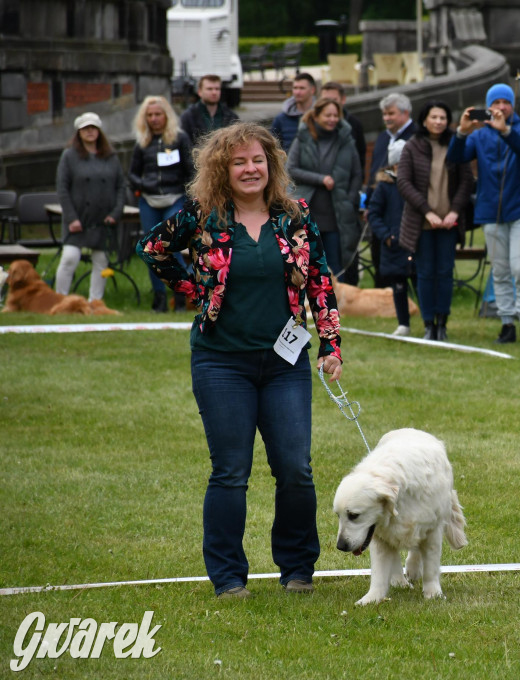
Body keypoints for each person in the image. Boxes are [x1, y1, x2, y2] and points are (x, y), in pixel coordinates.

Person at [136, 122, 343, 599]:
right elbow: (152, 249)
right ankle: (228, 577)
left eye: (258, 160)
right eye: (239, 162)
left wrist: (331, 346)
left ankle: (297, 570)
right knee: (231, 470)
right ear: (221, 169)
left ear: (271, 165)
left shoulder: (296, 215)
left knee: (295, 467)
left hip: (285, 365)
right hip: (220, 363)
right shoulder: (203, 215)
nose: (250, 169)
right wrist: (194, 289)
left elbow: (321, 282)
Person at [449, 83, 520, 345]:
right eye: (496, 103)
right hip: (491, 211)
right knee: (499, 270)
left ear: (513, 106)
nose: (501, 107)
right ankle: (506, 324)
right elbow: (456, 158)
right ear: (488, 107)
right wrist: (461, 132)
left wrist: (507, 132)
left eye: (506, 102)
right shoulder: (479, 136)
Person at [396, 100, 474, 341]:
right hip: (422, 223)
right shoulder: (412, 146)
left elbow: (467, 181)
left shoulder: (457, 144)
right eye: (434, 117)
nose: (439, 122)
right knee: (426, 273)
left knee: (445, 272)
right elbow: (403, 182)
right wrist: (427, 212)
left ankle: (443, 323)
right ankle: (428, 323)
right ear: (424, 120)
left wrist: (454, 212)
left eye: (443, 118)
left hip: (449, 222)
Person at [286, 98, 363, 282]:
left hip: (337, 215)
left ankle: (336, 306)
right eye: (328, 115)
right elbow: (291, 169)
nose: (332, 119)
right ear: (317, 115)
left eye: (336, 115)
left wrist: (350, 201)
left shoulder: (346, 140)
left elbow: (357, 174)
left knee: (336, 264)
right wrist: (321, 179)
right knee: (307, 263)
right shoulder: (303, 138)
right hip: (309, 212)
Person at [129, 95, 193, 312]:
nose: (154, 118)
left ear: (166, 115)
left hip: (174, 198)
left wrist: (186, 196)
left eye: (158, 114)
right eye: (149, 115)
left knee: (171, 247)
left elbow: (190, 171)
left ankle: (182, 297)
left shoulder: (179, 139)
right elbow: (132, 174)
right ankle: (159, 299)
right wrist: (144, 184)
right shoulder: (142, 142)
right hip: (149, 200)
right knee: (150, 249)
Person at [54, 112, 126, 304]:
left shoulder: (110, 156)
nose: (90, 132)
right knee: (70, 258)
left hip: (103, 220)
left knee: (101, 260)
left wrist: (116, 213)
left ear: (99, 131)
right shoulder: (69, 156)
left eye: (93, 128)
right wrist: (71, 218)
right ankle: (60, 300)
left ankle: (95, 302)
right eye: (86, 128)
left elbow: (121, 186)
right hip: (77, 220)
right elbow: (62, 189)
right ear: (79, 132)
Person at [365, 93, 417, 288]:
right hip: (380, 203)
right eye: (384, 114)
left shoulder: (416, 136)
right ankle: (383, 291)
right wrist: (369, 203)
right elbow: (374, 171)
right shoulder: (382, 138)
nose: (386, 118)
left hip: (402, 205)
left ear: (405, 113)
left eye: (391, 113)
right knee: (379, 251)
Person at [367, 139, 415, 336]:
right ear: (394, 164)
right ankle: (403, 323)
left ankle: (431, 322)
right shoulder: (385, 187)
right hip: (394, 245)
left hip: (414, 243)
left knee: (421, 281)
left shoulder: (415, 185)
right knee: (399, 285)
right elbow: (373, 213)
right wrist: (386, 235)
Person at [179, 74, 240, 146]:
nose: (214, 92)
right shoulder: (188, 117)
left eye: (217, 89)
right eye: (209, 89)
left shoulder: (231, 116)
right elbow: (184, 146)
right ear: (199, 92)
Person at [320, 81, 366, 172]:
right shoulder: (309, 125)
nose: (330, 104)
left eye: (334, 100)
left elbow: (360, 161)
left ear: (343, 99)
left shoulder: (354, 124)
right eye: (325, 100)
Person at [270, 72, 317, 152]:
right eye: (295, 88)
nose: (297, 92)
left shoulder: (321, 117)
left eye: (302, 88)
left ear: (312, 90)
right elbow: (272, 147)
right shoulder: (281, 119)